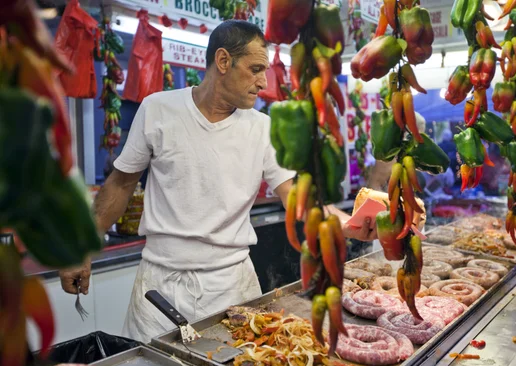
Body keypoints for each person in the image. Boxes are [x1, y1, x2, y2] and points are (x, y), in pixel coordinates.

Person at [59, 21, 377, 343]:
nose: (262, 82)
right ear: (223, 61)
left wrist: (346, 222)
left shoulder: (262, 128)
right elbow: (120, 184)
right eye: (254, 69)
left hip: (233, 288)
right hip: (160, 290)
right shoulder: (158, 110)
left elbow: (293, 195)